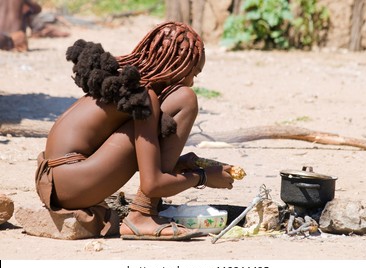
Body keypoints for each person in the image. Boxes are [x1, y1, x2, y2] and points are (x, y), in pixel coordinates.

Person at [35, 21, 235, 241]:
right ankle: (142, 215)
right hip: (73, 185)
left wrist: (181, 162)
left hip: (56, 180)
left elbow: (115, 147)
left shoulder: (125, 81)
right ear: (177, 67)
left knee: (172, 106)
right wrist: (203, 177)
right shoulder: (143, 96)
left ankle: (144, 212)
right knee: (185, 99)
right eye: (193, 73)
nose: (192, 82)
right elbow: (152, 183)